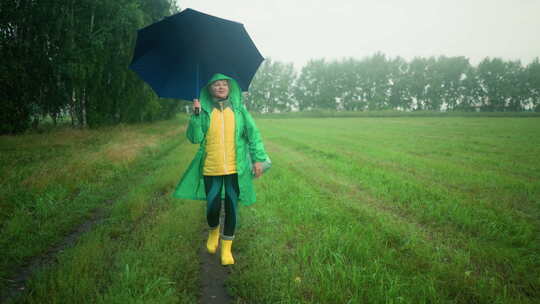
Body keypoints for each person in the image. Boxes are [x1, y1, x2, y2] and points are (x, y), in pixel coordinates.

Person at [172, 73, 268, 266]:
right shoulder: (205, 112)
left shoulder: (240, 111)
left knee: (232, 207)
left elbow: (253, 136)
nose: (221, 87)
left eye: (225, 84)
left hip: (235, 169)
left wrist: (258, 159)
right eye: (216, 84)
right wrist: (196, 115)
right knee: (212, 206)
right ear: (209, 89)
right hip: (211, 167)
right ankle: (213, 231)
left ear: (230, 88)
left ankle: (226, 249)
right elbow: (194, 138)